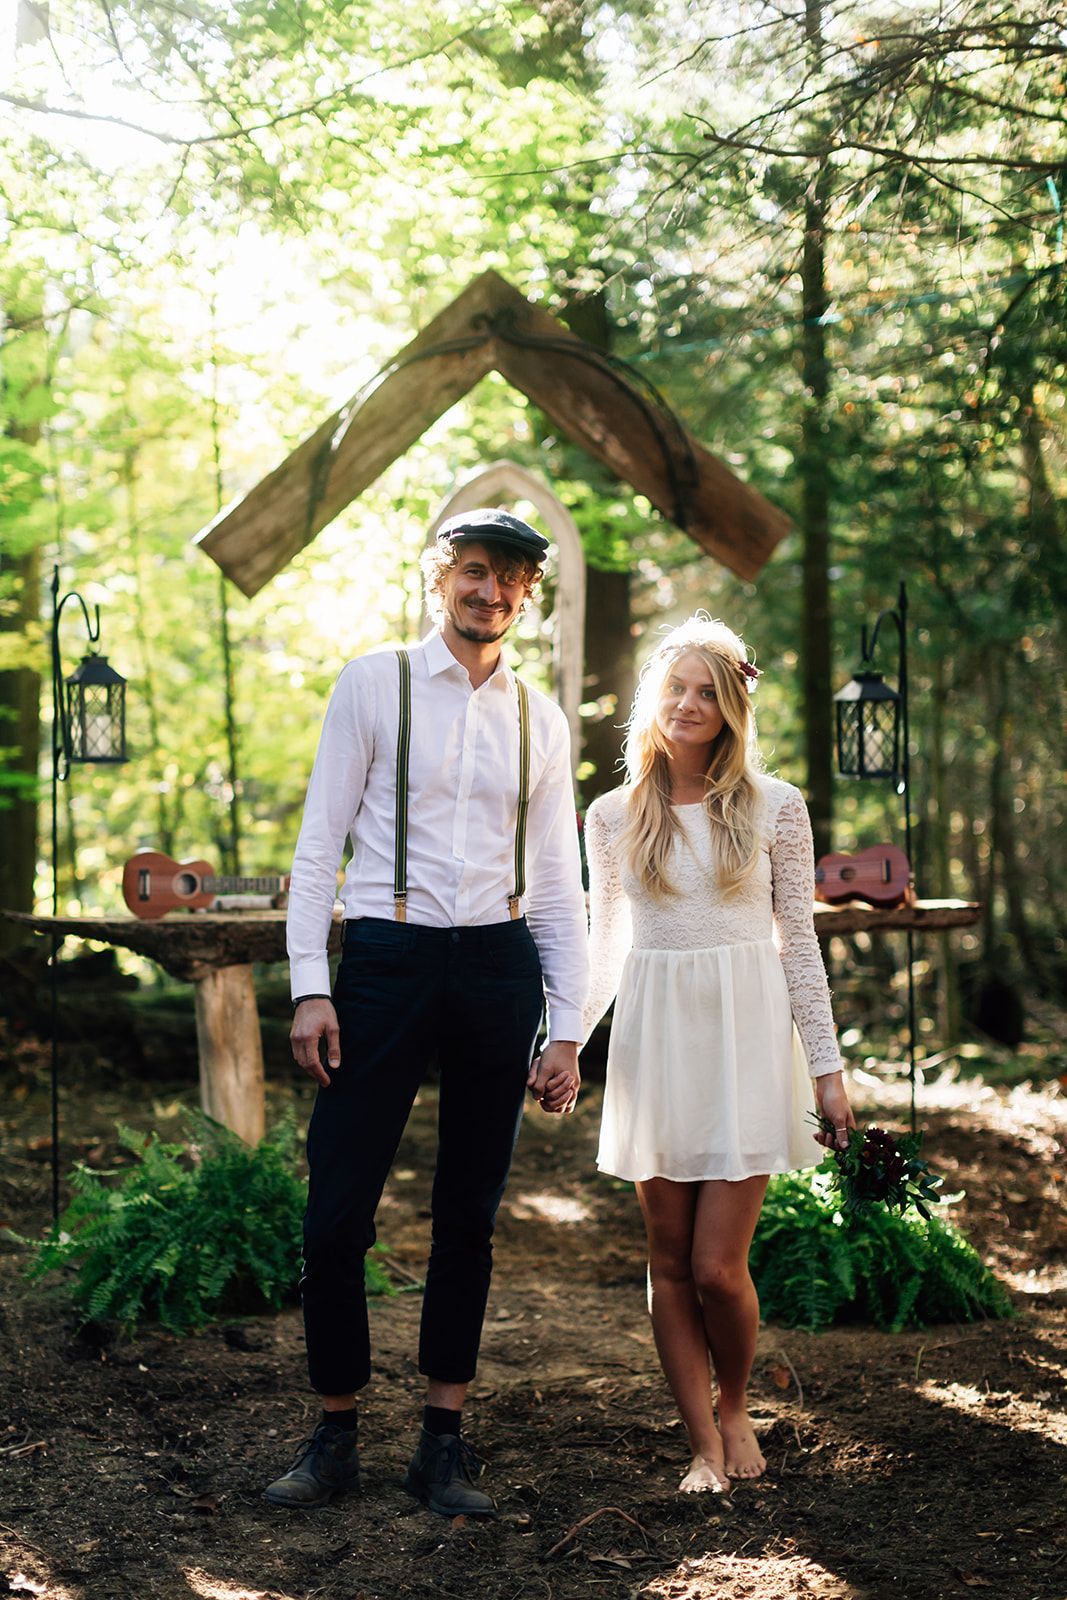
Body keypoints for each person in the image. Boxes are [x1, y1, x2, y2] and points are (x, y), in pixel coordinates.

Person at [264, 508, 587, 1516]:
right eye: (475, 571)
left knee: (468, 1214)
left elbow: (555, 881)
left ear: (527, 596)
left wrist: (566, 1024)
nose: (489, 591)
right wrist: (310, 983)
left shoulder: (540, 717)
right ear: (440, 576)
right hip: (388, 955)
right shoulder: (372, 682)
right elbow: (319, 846)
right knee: (337, 1209)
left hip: (496, 964)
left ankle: (440, 1441)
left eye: (509, 579)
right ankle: (334, 1432)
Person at [581, 614, 854, 1496]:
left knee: (715, 1267)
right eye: (677, 688)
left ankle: (734, 1403)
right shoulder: (612, 815)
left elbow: (800, 947)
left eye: (709, 691)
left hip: (743, 1036)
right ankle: (701, 1444)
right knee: (665, 1261)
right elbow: (601, 948)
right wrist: (560, 1041)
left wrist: (827, 1068)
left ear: (733, 703)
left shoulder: (774, 806)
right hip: (655, 1040)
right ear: (651, 701)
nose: (690, 704)